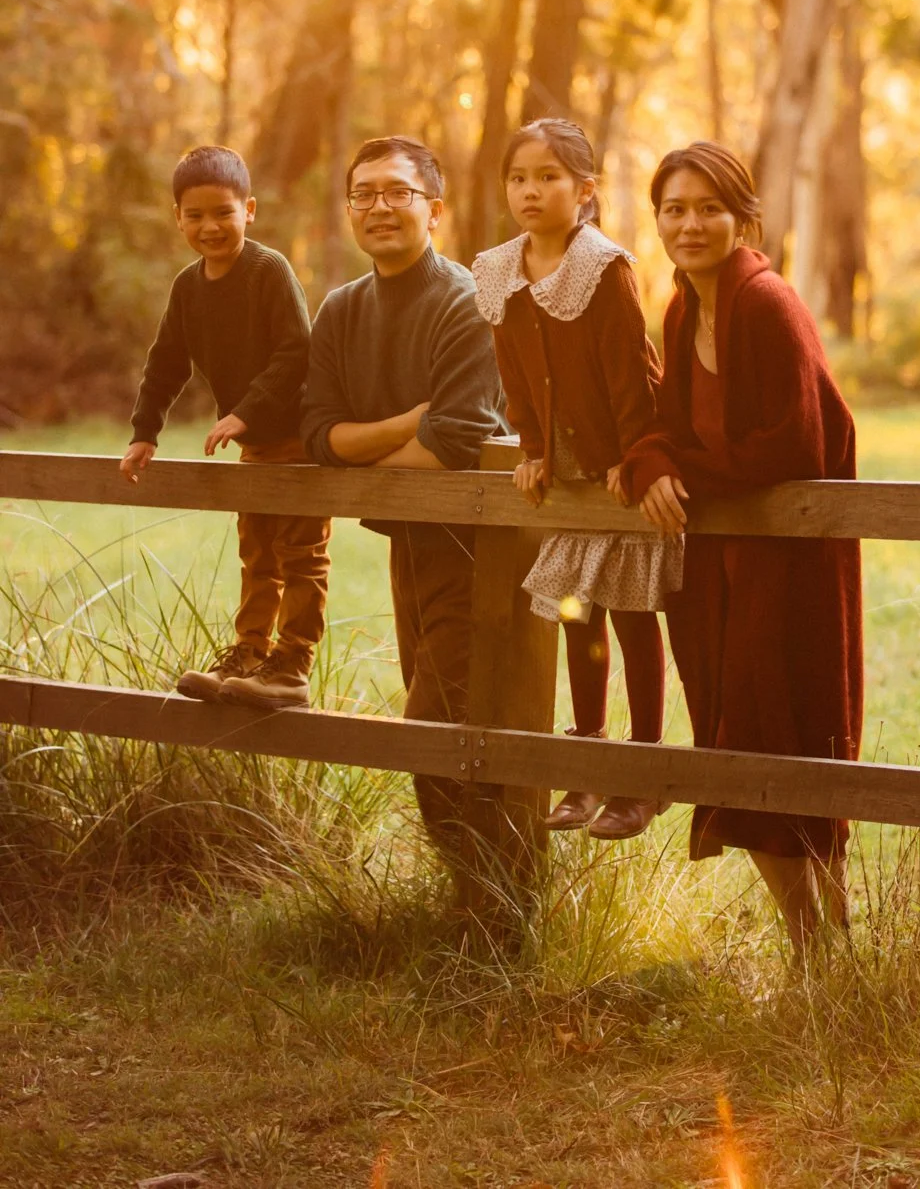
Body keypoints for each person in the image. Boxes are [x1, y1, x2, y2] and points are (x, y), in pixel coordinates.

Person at [622, 141, 862, 952]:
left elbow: (789, 448)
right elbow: (671, 425)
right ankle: (811, 948)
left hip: (792, 565)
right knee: (733, 738)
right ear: (655, 218)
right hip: (722, 569)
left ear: (742, 216)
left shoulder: (767, 304)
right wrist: (651, 459)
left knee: (791, 737)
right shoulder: (684, 308)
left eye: (708, 209)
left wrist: (674, 463)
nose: (690, 224)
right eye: (674, 209)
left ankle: (831, 943)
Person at [472, 119, 682, 842]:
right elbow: (516, 377)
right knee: (573, 614)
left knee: (630, 616)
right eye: (519, 177)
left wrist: (633, 455)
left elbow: (631, 374)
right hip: (564, 478)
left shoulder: (604, 265)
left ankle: (642, 775)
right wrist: (532, 449)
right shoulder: (501, 269)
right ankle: (585, 757)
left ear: (585, 191)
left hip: (621, 468)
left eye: (550, 177)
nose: (532, 190)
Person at [301, 135, 504, 857]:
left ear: (435, 209)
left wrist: (375, 447)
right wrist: (405, 422)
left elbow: (455, 445)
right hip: (407, 541)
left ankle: (491, 908)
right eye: (364, 193)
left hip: (481, 547)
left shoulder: (469, 301)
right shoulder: (341, 310)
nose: (379, 207)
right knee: (441, 724)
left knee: (441, 732)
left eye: (398, 192)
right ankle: (479, 901)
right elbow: (317, 437)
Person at [121, 145, 331, 710]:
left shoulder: (268, 271)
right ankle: (249, 654)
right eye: (195, 216)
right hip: (257, 447)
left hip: (299, 440)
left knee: (300, 553)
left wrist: (244, 412)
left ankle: (291, 665)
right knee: (257, 555)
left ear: (250, 210)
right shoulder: (189, 288)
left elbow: (295, 353)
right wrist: (145, 432)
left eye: (223, 212)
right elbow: (166, 361)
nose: (210, 226)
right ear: (178, 218)